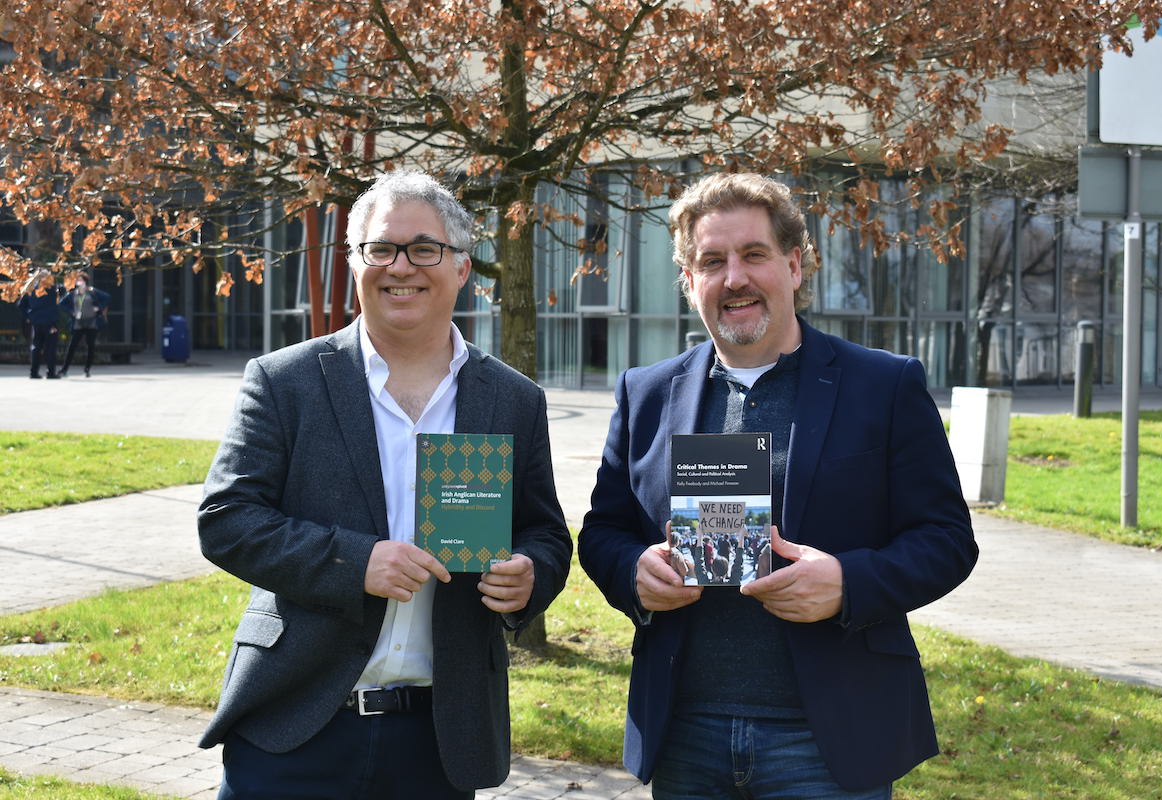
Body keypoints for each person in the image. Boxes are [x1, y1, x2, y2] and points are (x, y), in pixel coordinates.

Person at [578, 172, 978, 799]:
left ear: (794, 265)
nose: (734, 277)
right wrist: (633, 571)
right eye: (712, 261)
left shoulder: (883, 386)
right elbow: (603, 531)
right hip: (685, 734)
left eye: (753, 255)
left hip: (826, 739)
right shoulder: (645, 393)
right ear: (689, 283)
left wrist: (848, 582)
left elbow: (948, 540)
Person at [198, 169, 572, 799]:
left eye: (425, 248)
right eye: (381, 248)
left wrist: (530, 572)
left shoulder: (512, 399)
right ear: (353, 261)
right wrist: (354, 561)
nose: (403, 266)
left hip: (439, 737)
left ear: (461, 269)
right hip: (296, 721)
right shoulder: (285, 381)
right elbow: (226, 518)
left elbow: (545, 532)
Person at [59, 273, 111, 378]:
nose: (79, 282)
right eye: (78, 280)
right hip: (78, 323)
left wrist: (98, 308)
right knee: (72, 346)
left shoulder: (92, 292)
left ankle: (87, 369)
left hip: (91, 322)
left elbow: (107, 298)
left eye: (81, 280)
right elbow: (62, 303)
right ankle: (64, 369)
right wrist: (71, 312)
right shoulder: (73, 294)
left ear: (85, 281)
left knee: (90, 346)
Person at [17, 269, 64, 379]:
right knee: (50, 347)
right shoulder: (53, 288)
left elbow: (20, 304)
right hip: (50, 322)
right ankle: (51, 372)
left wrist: (28, 317)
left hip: (36, 322)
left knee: (36, 347)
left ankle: (33, 372)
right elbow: (65, 290)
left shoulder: (31, 289)